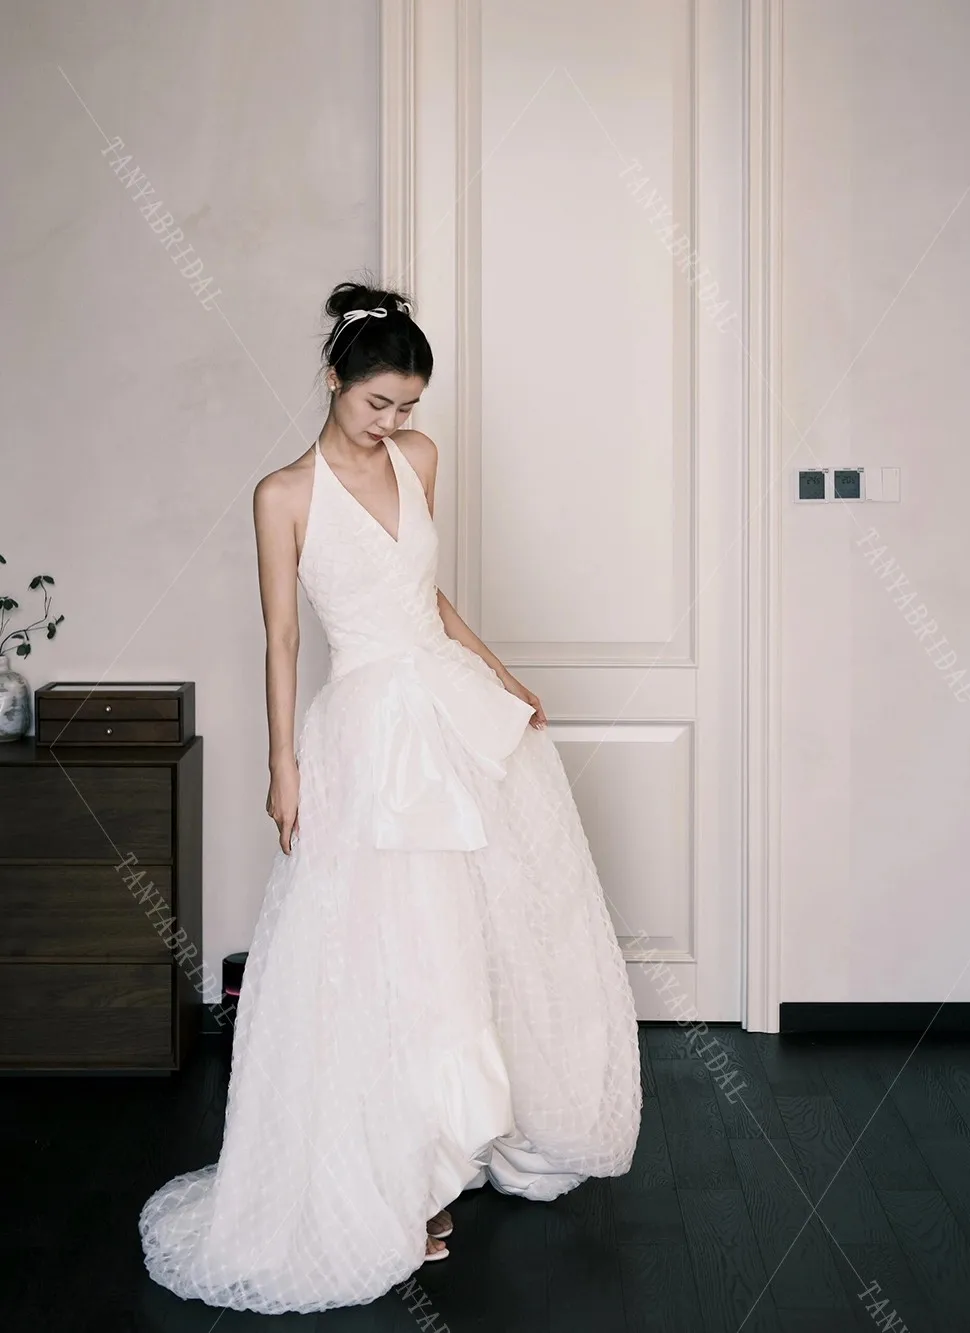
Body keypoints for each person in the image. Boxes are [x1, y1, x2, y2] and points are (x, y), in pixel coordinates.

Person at [138, 278, 641, 1314]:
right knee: (382, 950)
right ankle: (387, 1176)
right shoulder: (282, 494)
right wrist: (283, 765)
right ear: (334, 379)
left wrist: (499, 672)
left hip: (449, 712)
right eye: (380, 404)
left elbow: (427, 593)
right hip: (365, 734)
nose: (396, 423)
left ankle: (444, 1150)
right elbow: (282, 638)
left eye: (408, 406)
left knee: (478, 933)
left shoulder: (420, 461)